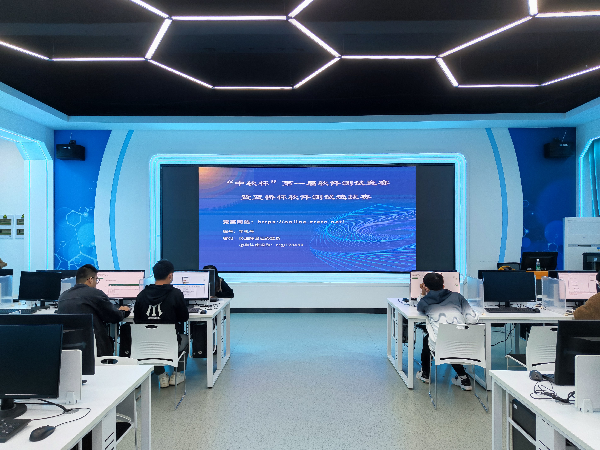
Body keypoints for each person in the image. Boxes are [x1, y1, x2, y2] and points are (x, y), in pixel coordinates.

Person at [415, 272, 479, 390]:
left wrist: (423, 294)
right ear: (443, 285)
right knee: (451, 339)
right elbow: (472, 320)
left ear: (426, 287)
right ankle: (464, 378)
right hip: (466, 344)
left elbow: (419, 308)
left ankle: (425, 374)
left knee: (429, 339)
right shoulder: (457, 296)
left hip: (443, 345)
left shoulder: (425, 302)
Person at [134, 259, 189, 388]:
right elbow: (184, 318)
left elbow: (137, 320)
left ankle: (161, 375)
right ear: (170, 275)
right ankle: (177, 374)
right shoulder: (176, 294)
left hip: (146, 344)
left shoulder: (141, 295)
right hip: (170, 343)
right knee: (185, 338)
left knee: (154, 338)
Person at [58, 264, 131, 357]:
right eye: (96, 279)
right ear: (90, 279)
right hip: (93, 347)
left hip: (68, 348)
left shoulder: (63, 296)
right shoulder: (95, 293)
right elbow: (115, 316)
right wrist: (124, 311)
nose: (96, 283)